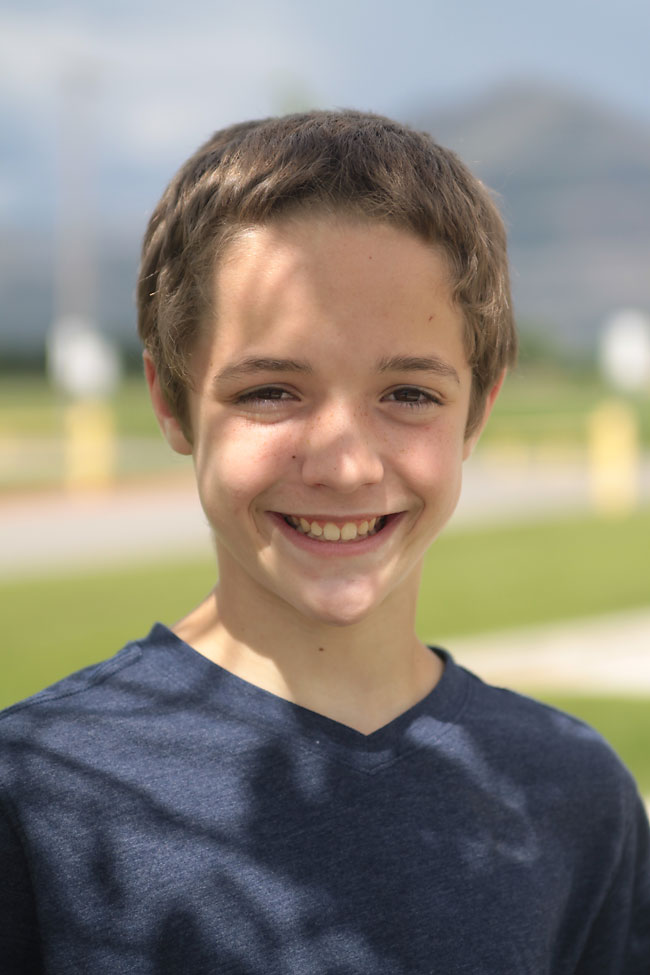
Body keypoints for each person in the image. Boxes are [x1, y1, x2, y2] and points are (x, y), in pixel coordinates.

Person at [1, 110, 648, 974]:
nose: (344, 465)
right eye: (272, 391)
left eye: (410, 393)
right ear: (170, 399)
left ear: (479, 410)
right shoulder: (35, 790)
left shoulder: (574, 793)